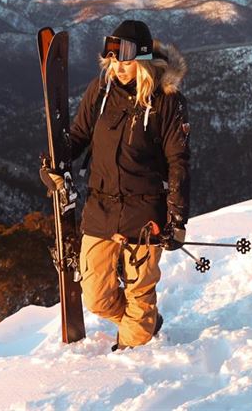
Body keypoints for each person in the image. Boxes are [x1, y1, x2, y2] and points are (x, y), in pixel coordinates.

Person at [42, 19, 190, 350]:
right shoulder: (101, 90)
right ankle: (143, 322)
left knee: (139, 293)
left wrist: (177, 219)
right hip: (101, 206)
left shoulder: (168, 102)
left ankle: (132, 356)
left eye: (126, 61)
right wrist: (55, 164)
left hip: (146, 210)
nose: (118, 68)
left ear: (144, 60)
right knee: (96, 296)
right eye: (113, 60)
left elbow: (179, 163)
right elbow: (78, 136)